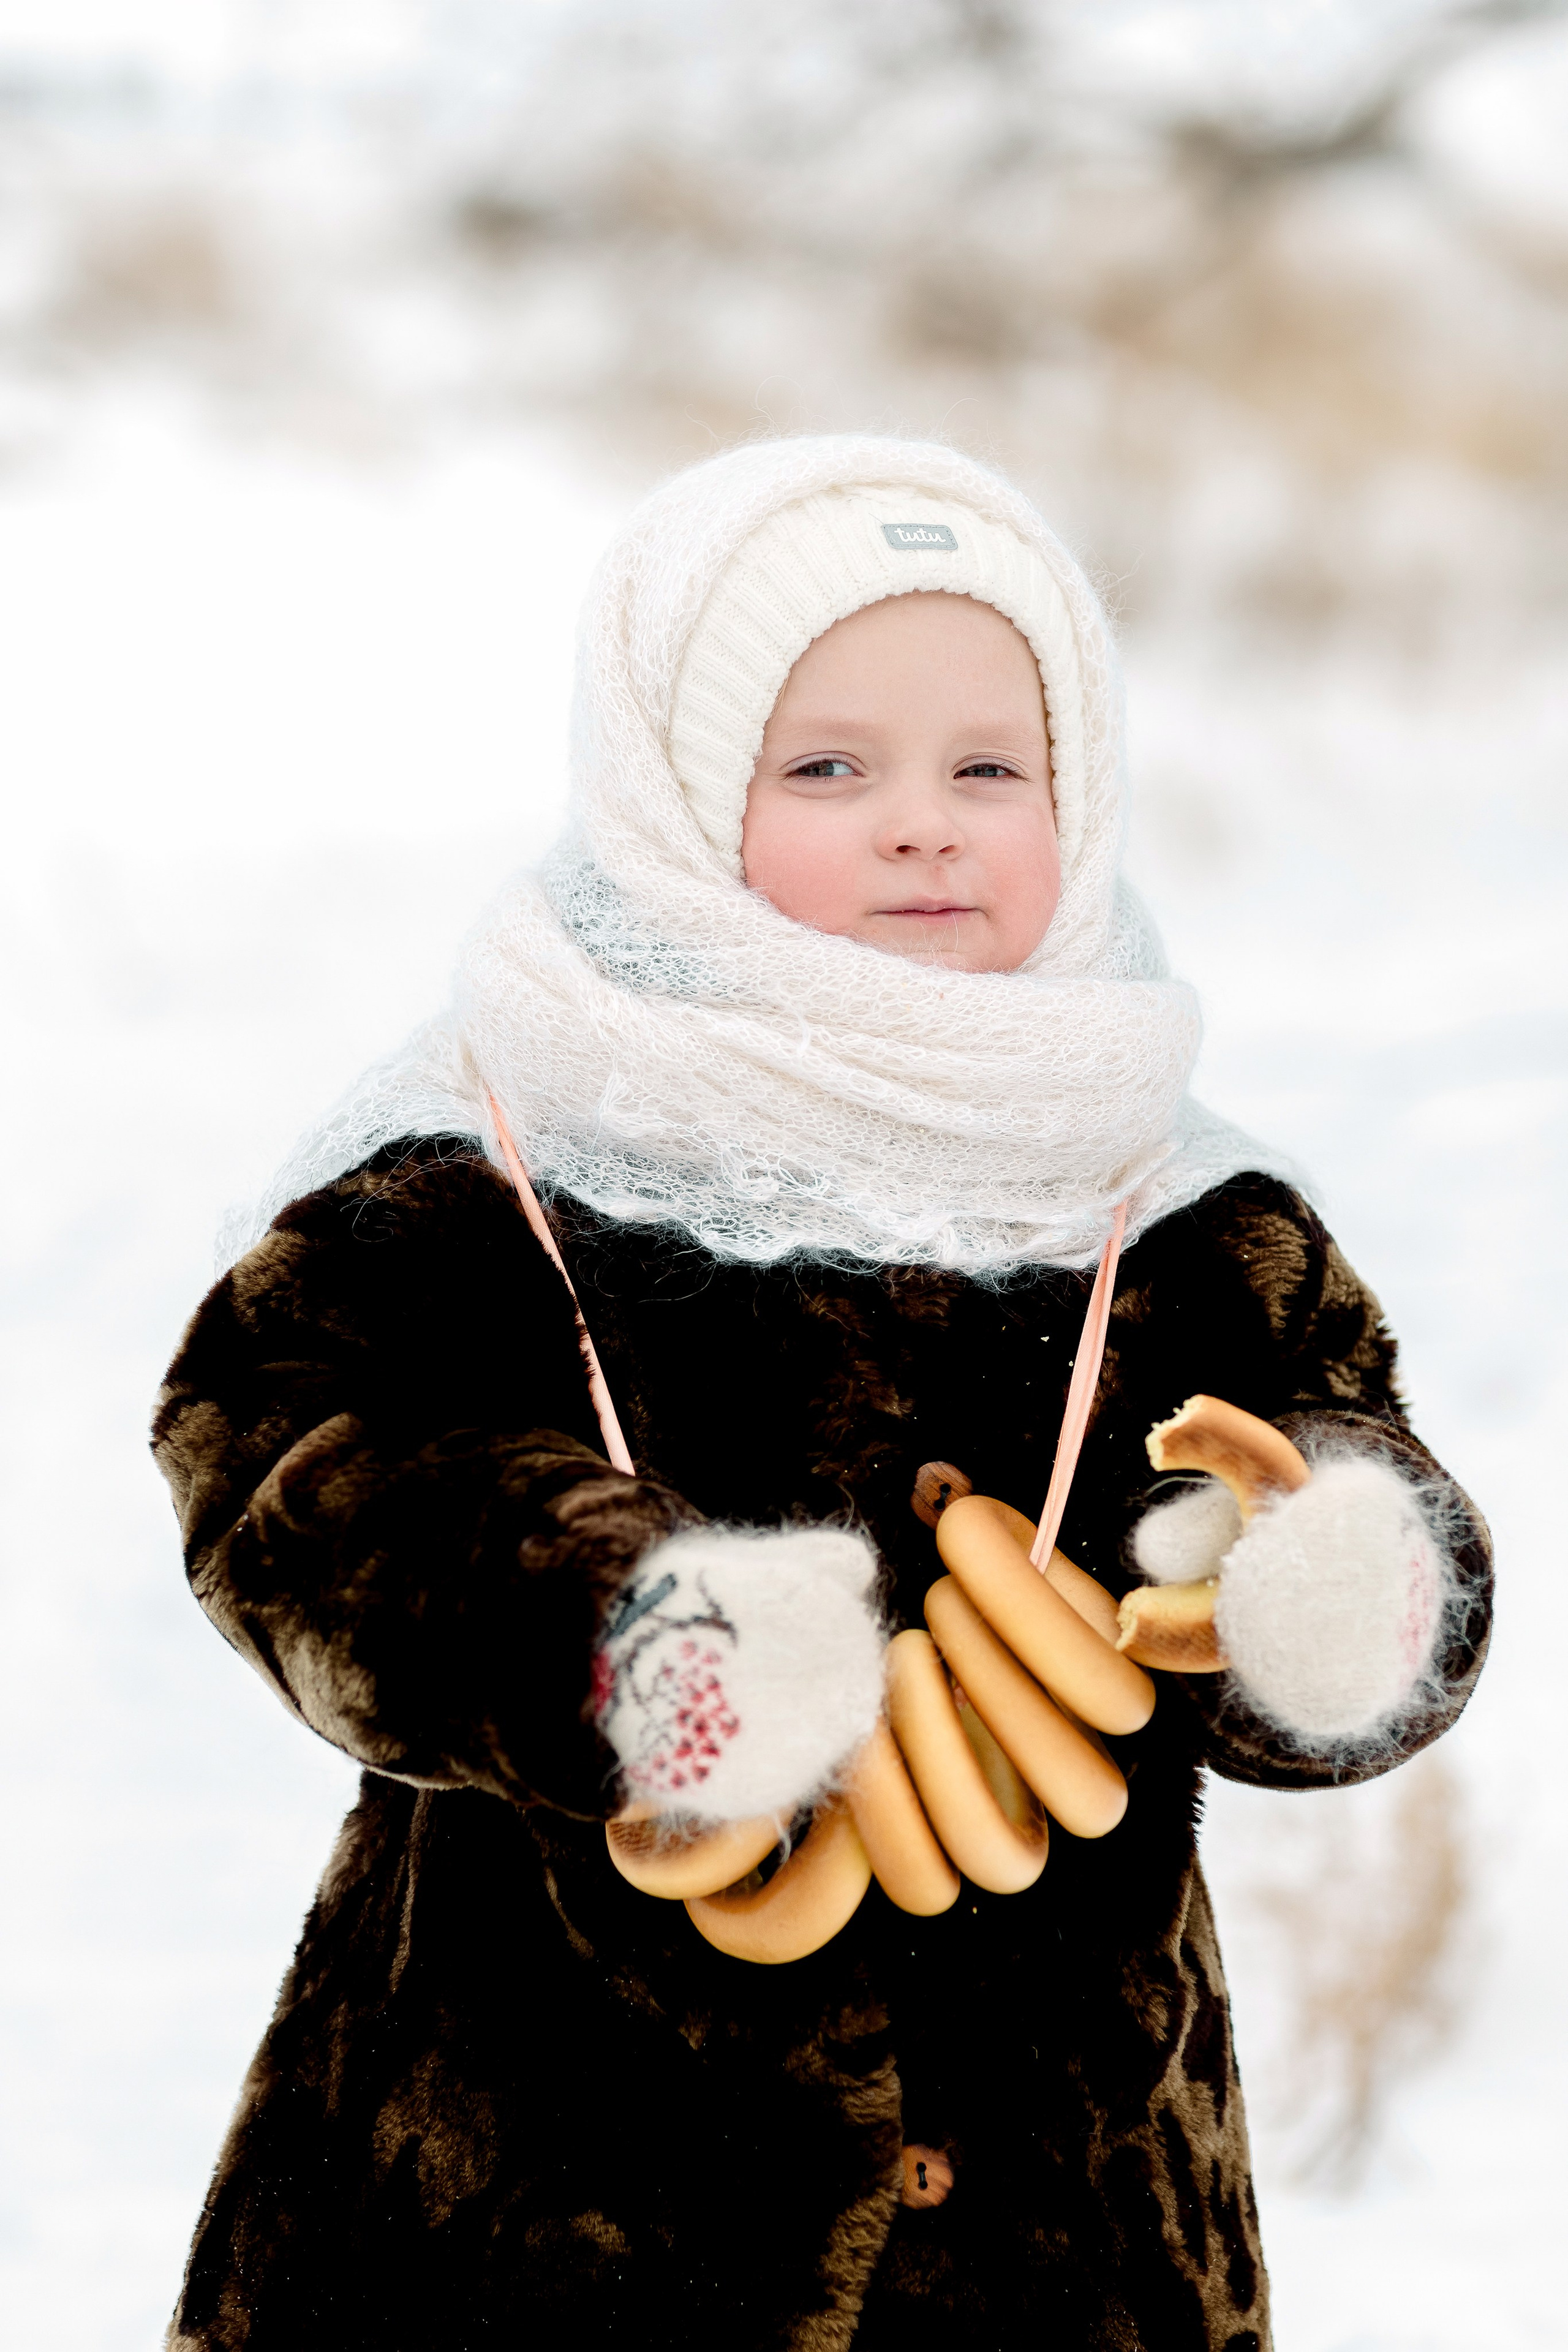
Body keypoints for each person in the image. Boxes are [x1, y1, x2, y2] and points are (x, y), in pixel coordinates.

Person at [153, 437, 1490, 2352]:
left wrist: (1334, 1587)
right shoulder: (496, 1180)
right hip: (528, 2221)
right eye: (830, 769)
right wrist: (611, 1626)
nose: (924, 825)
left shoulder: (1182, 1213)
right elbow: (282, 1461)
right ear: (678, 804)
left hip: (1069, 2242)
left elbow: (1350, 1454)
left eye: (989, 769)